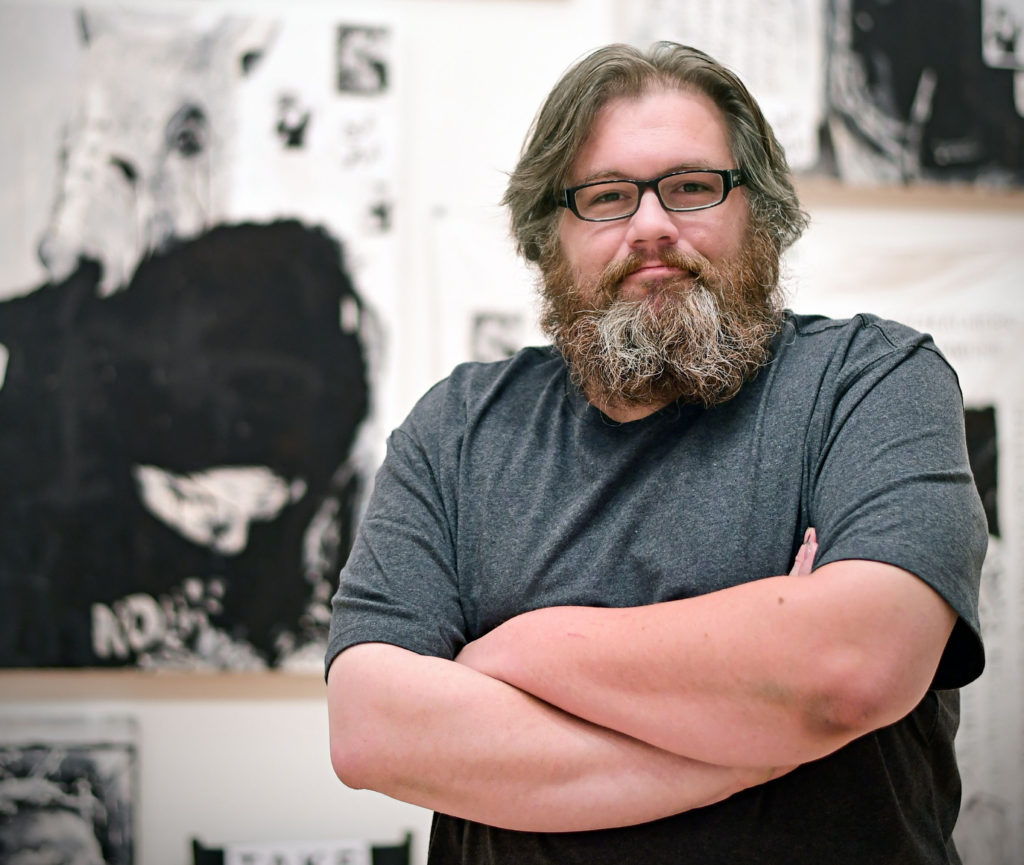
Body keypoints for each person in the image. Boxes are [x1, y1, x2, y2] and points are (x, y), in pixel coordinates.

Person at [325, 42, 987, 864]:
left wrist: (516, 651)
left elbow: (853, 666)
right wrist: (761, 742)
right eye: (605, 197)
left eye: (692, 187)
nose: (651, 226)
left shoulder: (871, 380)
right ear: (548, 238)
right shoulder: (457, 428)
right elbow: (372, 730)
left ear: (763, 216)